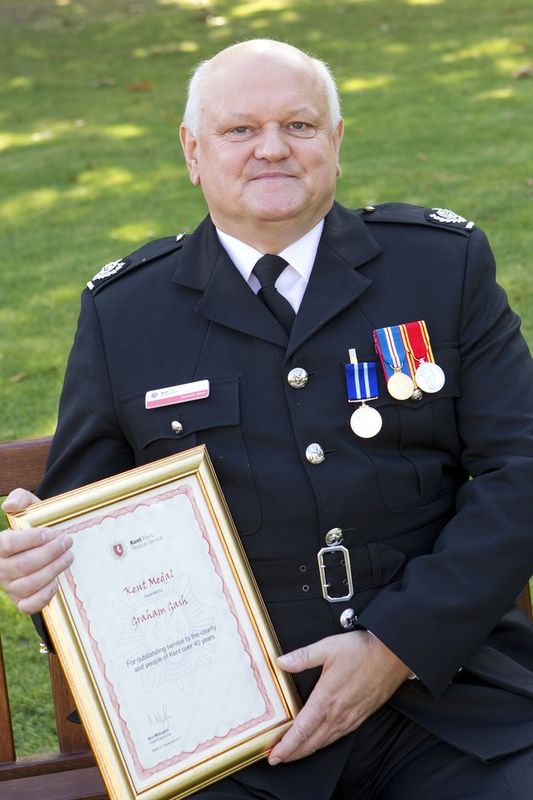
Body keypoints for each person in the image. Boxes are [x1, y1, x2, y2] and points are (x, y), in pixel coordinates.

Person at [2, 38, 533, 799]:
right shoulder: (127, 315)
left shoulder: (438, 267)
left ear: (337, 142)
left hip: (447, 699)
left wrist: (392, 647)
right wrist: (43, 573)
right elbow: (87, 546)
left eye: (300, 126)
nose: (272, 150)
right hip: (238, 735)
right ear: (193, 151)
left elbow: (519, 473)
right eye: (240, 130)